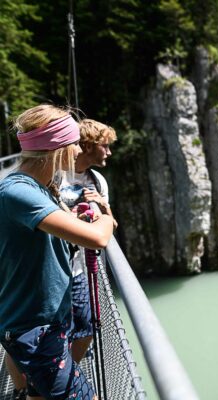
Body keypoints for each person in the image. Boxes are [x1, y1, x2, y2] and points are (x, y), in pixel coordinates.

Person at [0, 104, 115, 400]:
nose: (79, 150)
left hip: (42, 320)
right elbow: (98, 239)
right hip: (34, 327)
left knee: (39, 395)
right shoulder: (19, 193)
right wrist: (105, 215)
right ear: (58, 149)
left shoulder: (40, 186)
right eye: (74, 143)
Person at [58, 118, 117, 363]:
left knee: (85, 329)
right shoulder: (55, 174)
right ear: (89, 145)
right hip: (50, 269)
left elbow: (111, 226)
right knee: (43, 334)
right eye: (106, 145)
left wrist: (103, 206)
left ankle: (66, 376)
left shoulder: (97, 181)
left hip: (79, 269)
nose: (110, 152)